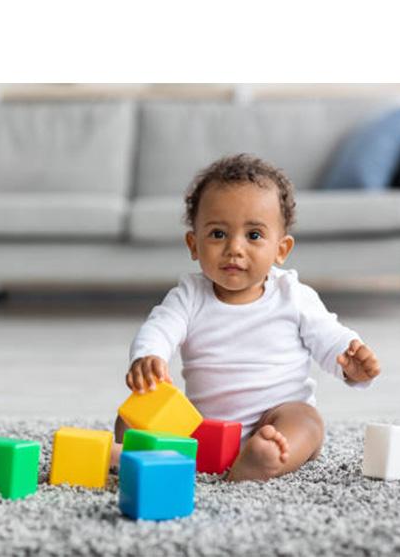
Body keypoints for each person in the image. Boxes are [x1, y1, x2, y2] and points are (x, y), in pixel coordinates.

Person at [120, 154, 382, 481]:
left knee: (307, 421)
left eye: (254, 235)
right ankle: (151, 461)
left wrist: (351, 365)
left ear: (281, 249)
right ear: (194, 244)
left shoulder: (294, 296)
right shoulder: (188, 296)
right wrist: (148, 357)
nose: (234, 248)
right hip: (202, 429)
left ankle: (263, 459)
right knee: (130, 418)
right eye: (217, 234)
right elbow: (159, 329)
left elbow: (330, 338)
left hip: (274, 419)